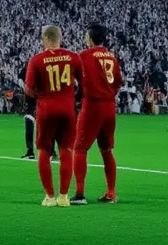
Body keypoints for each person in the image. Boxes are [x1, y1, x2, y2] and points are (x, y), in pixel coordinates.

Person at [25, 25, 82, 207]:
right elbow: (84, 83)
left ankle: (49, 197)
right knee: (66, 151)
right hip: (67, 109)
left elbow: (28, 89)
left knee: (44, 151)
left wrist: (41, 96)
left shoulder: (36, 60)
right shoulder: (73, 57)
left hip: (46, 109)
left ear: (45, 39)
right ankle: (64, 197)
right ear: (60, 38)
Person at [71, 22, 123, 206]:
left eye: (86, 36)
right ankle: (111, 193)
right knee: (106, 149)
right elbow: (118, 82)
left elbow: (78, 80)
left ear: (90, 38)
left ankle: (79, 194)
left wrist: (78, 96)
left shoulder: (84, 55)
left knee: (80, 148)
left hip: (92, 106)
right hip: (109, 107)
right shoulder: (112, 57)